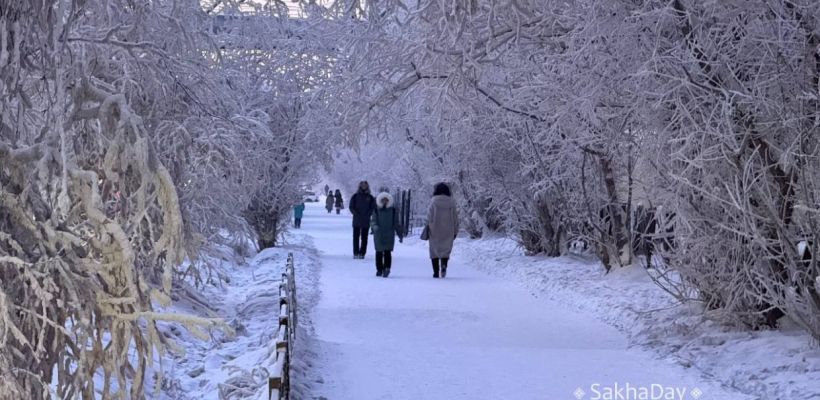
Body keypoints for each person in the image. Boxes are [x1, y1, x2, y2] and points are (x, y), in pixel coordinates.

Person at [426, 183, 459, 278]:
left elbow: (429, 216)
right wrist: (455, 230)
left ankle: (436, 272)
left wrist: (428, 225)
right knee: (445, 249)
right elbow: (455, 218)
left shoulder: (433, 202)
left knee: (434, 251)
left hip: (435, 229)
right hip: (448, 229)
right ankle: (444, 265)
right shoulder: (451, 203)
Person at [371, 191, 403, 277]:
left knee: (387, 252)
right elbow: (373, 221)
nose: (384, 201)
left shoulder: (392, 211)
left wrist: (400, 234)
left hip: (389, 234)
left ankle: (387, 268)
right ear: (380, 201)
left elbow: (396, 223)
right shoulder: (376, 210)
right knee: (379, 252)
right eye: (383, 200)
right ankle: (379, 269)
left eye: (386, 200)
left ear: (389, 201)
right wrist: (375, 227)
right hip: (379, 234)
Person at [349, 181, 376, 259]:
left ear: (367, 186)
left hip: (365, 219)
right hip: (357, 219)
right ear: (360, 186)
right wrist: (355, 213)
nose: (364, 186)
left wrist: (368, 214)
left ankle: (362, 253)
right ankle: (355, 252)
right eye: (362, 185)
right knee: (356, 237)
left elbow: (373, 207)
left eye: (365, 185)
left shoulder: (370, 197)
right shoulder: (355, 196)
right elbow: (351, 206)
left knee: (364, 237)